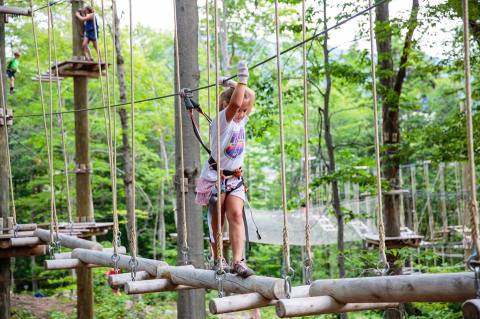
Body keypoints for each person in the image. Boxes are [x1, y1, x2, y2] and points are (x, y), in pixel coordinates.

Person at [195, 61, 256, 278]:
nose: (241, 113)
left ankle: (238, 261)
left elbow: (251, 95)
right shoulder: (223, 121)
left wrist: (232, 83)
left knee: (236, 215)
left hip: (235, 178)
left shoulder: (240, 121)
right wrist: (241, 80)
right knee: (217, 220)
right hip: (215, 177)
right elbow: (236, 102)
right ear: (224, 105)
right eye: (237, 109)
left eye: (243, 111)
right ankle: (217, 257)